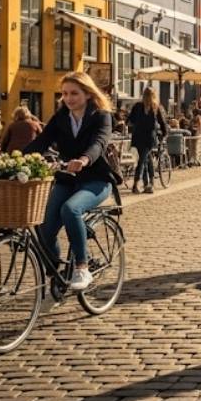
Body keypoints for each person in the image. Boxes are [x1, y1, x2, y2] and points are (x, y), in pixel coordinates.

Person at [23, 72, 117, 291]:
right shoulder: (61, 117)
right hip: (67, 179)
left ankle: (82, 267)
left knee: (70, 209)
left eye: (74, 93)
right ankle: (57, 272)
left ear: (87, 93)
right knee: (44, 227)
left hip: (96, 179)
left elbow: (99, 142)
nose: (68, 98)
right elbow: (41, 142)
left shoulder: (101, 116)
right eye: (64, 93)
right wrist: (12, 159)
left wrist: (84, 160)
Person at [127, 87, 167, 194]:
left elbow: (130, 120)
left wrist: (136, 124)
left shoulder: (143, 107)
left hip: (142, 137)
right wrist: (164, 134)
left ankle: (144, 184)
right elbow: (162, 123)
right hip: (145, 138)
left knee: (143, 160)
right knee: (144, 160)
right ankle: (142, 184)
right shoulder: (152, 107)